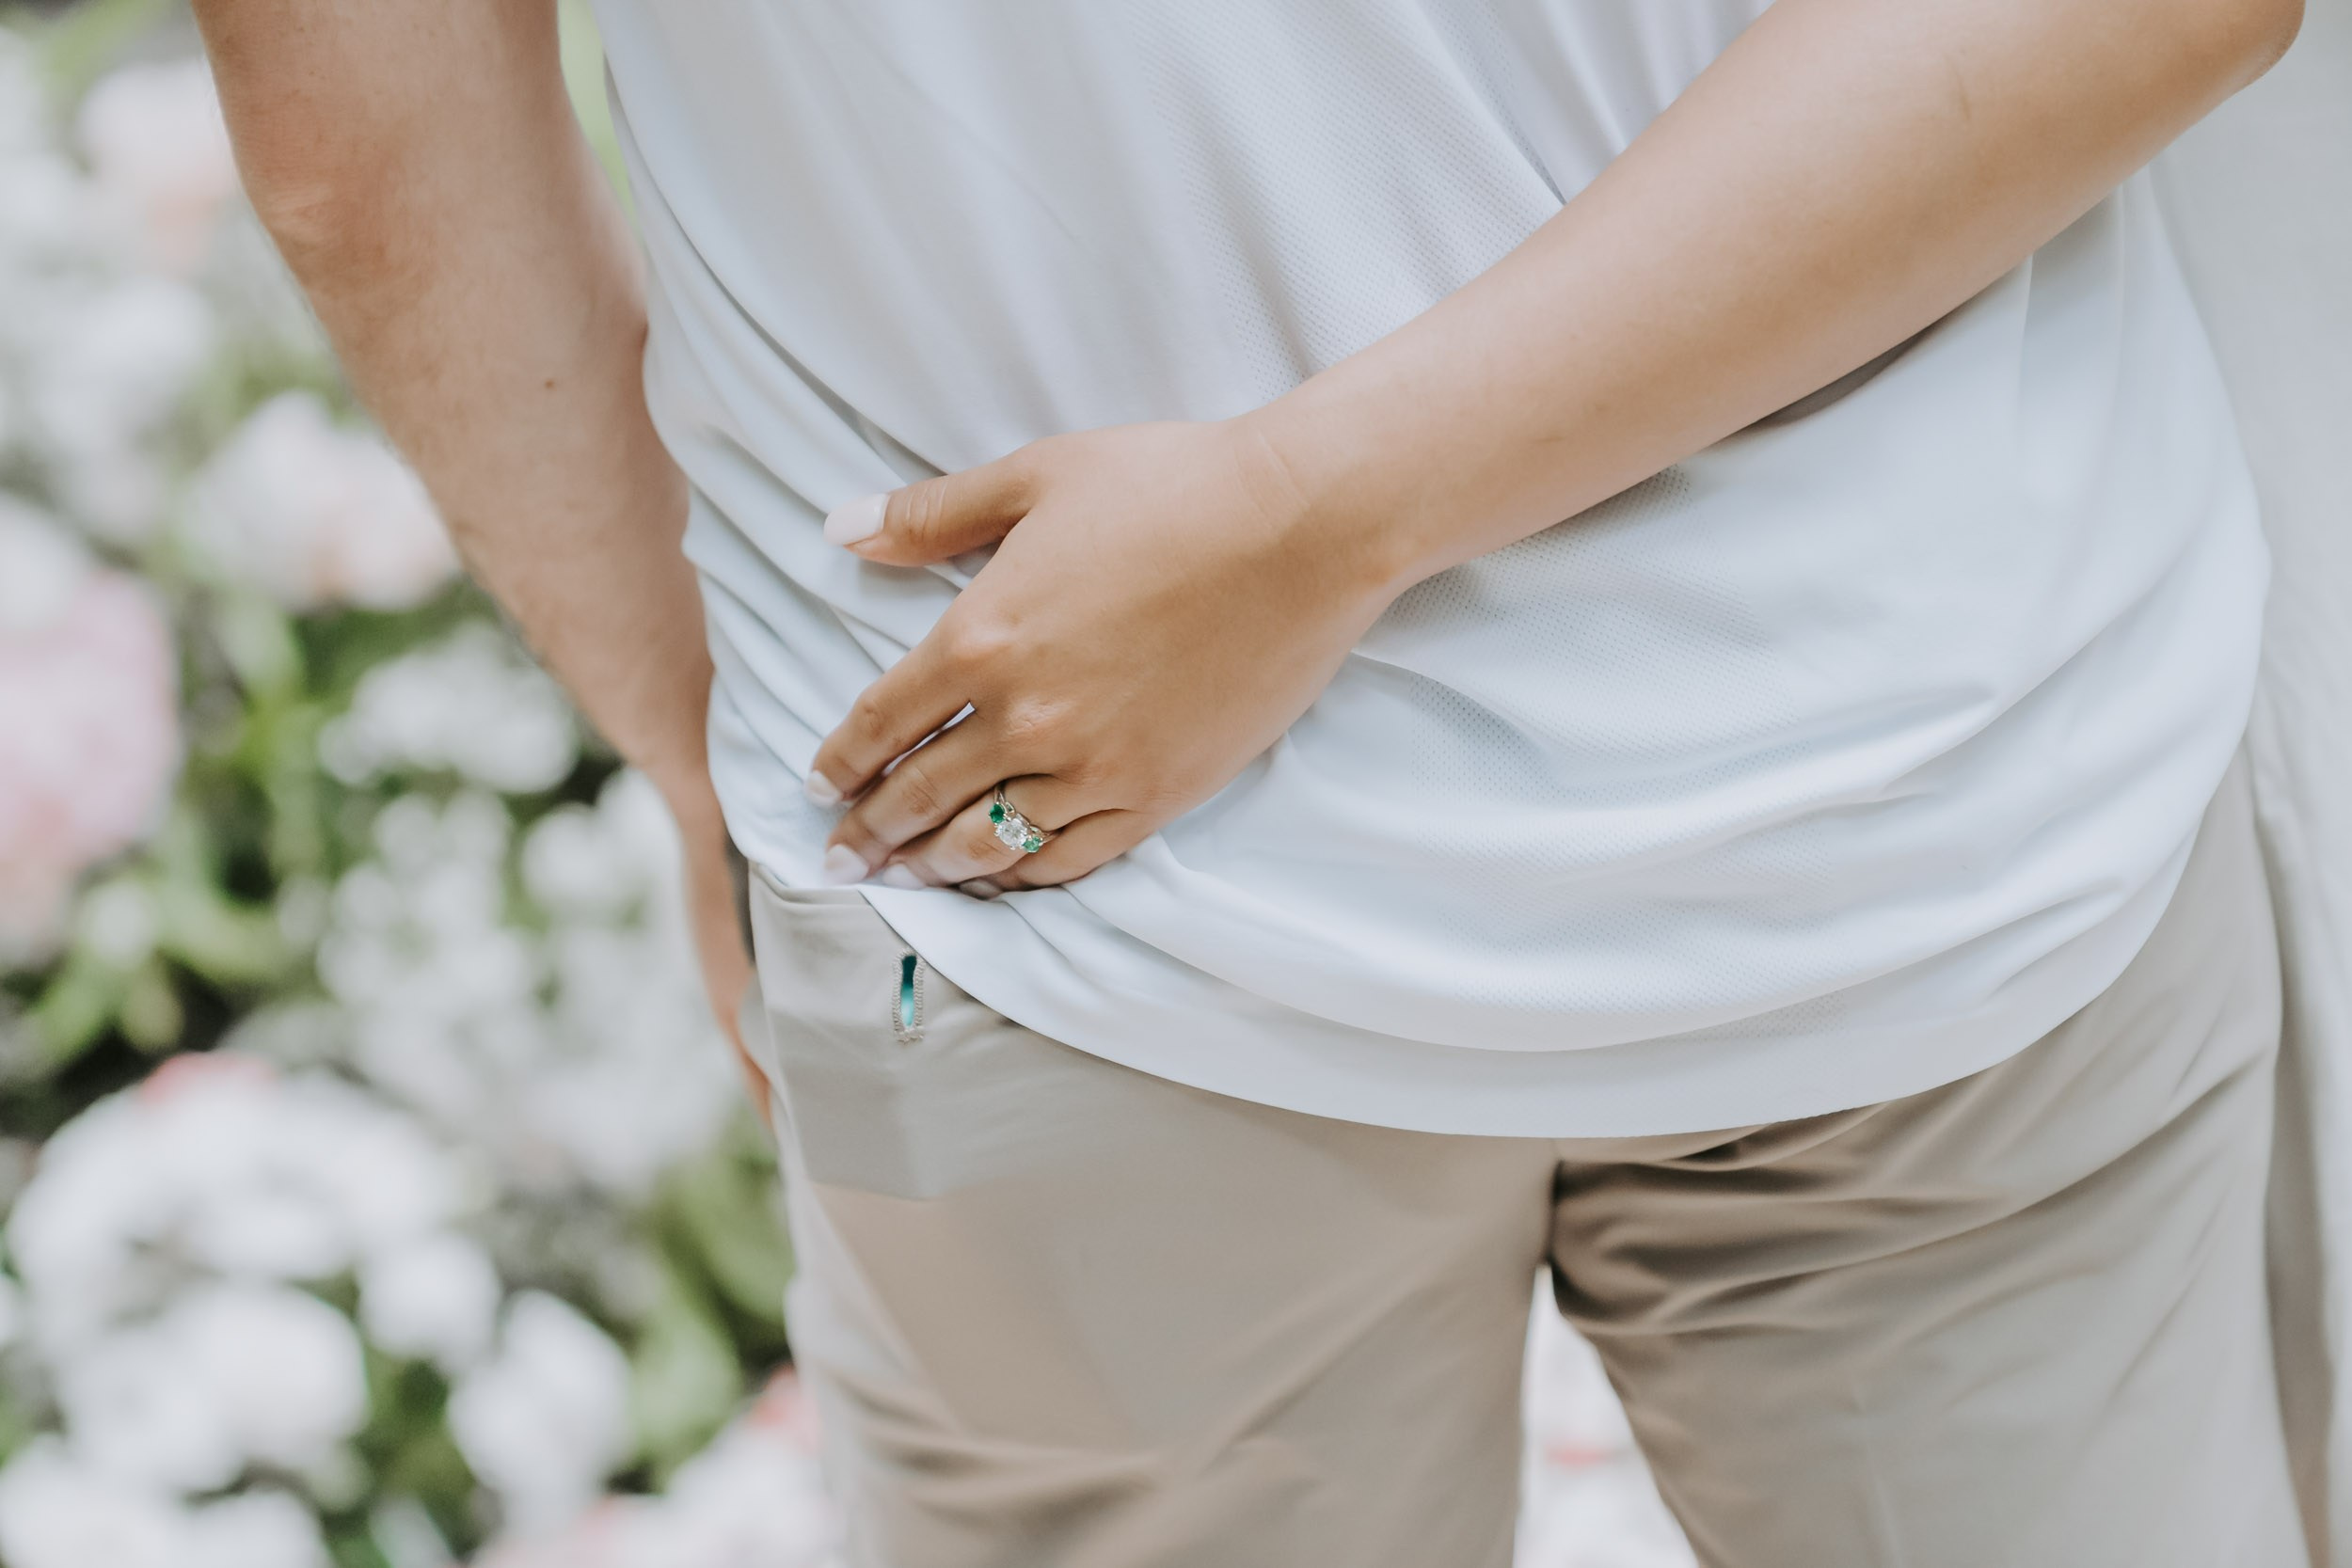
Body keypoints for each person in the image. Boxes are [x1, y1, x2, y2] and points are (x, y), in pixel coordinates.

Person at [195, 1, 2313, 1562]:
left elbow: (354, 139)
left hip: (1032, 851)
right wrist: (1314, 511)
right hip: (1921, 777)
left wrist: (705, 736)